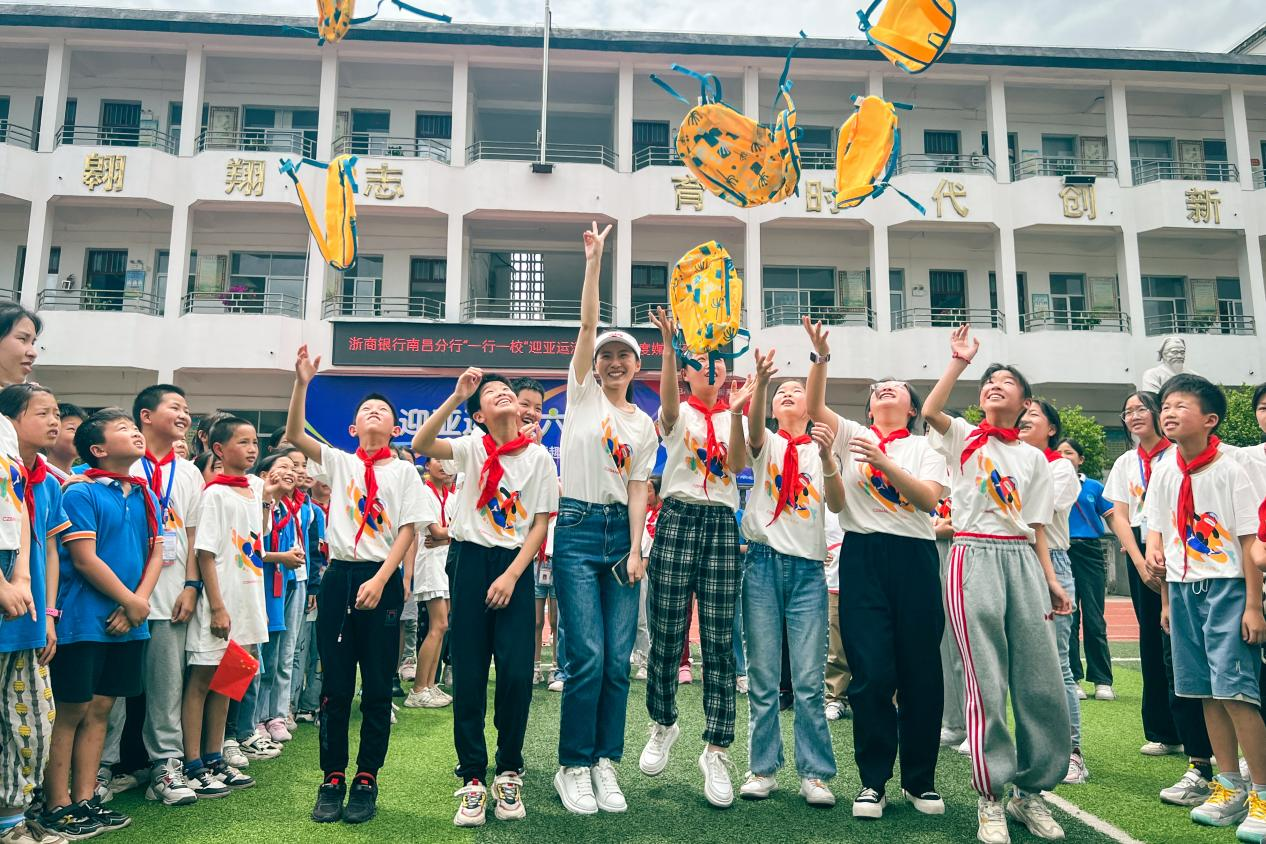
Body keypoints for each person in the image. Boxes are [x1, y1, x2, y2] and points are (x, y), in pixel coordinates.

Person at [922, 325, 1071, 844]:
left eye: (1007, 382)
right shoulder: (963, 434)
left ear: (1026, 403)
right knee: (985, 679)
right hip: (971, 554)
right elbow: (931, 410)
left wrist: (1050, 579)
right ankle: (989, 797)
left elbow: (1035, 527)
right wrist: (958, 363)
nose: (995, 385)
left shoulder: (1035, 459)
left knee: (1041, 679)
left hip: (1022, 562)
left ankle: (1030, 794)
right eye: (989, 381)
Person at [804, 319, 950, 820]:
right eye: (876, 390)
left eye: (896, 389)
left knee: (921, 673)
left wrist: (884, 463)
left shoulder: (925, 446)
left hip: (913, 558)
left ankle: (920, 781)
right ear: (868, 409)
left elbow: (927, 500)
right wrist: (820, 358)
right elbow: (814, 406)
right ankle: (872, 783)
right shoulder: (853, 435)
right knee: (870, 675)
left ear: (911, 408)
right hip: (862, 555)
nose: (884, 389)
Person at [285, 346, 429, 825]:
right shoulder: (341, 463)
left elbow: (408, 528)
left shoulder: (405, 470)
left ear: (395, 428)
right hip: (339, 578)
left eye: (383, 411)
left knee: (377, 688)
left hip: (379, 578)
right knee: (336, 685)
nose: (375, 413)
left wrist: (385, 578)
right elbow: (293, 435)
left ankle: (367, 776)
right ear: (353, 428)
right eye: (367, 409)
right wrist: (303, 382)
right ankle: (332, 776)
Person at [413, 368, 558, 828]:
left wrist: (514, 576)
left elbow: (538, 525)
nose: (503, 396)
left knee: (516, 673)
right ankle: (474, 776)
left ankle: (509, 769)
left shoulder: (538, 459)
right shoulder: (470, 447)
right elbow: (421, 444)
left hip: (513, 567)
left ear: (520, 408)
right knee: (470, 674)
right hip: (470, 563)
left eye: (508, 393)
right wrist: (457, 395)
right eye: (491, 393)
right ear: (479, 413)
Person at [551, 223, 659, 817]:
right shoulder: (581, 397)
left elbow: (640, 486)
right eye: (606, 355)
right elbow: (588, 323)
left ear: (636, 365)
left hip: (622, 533)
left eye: (625, 355)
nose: (614, 361)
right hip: (575, 529)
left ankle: (604, 763)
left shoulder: (642, 425)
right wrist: (594, 262)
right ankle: (573, 765)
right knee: (587, 654)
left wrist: (639, 546)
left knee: (619, 659)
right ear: (594, 365)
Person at [1147, 375, 1266, 839]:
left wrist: (1253, 605)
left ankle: (1261, 791)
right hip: (1182, 591)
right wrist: (1164, 593)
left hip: (1228, 588)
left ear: (1210, 419)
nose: (1168, 411)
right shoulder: (1164, 470)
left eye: (1180, 405)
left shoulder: (1232, 469)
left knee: (1237, 693)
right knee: (1204, 693)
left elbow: (1248, 540)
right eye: (1166, 405)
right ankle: (1229, 786)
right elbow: (1158, 527)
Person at [638, 306, 746, 809]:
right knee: (666, 630)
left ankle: (717, 748)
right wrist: (667, 344)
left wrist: (743, 411)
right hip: (678, 518)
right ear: (686, 372)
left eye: (718, 362)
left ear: (726, 373)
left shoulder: (735, 415)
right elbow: (665, 404)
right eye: (700, 361)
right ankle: (663, 723)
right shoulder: (676, 414)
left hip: (723, 523)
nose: (711, 366)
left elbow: (742, 464)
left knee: (721, 642)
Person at [43, 409, 163, 838]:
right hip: (83, 620)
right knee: (72, 710)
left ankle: (85, 797)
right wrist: (131, 601)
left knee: (103, 709)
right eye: (124, 430)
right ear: (98, 449)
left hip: (129, 618)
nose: (135, 433)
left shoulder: (144, 494)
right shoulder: (80, 491)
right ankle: (56, 804)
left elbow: (156, 554)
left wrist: (139, 603)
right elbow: (84, 558)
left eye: (135, 428)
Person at [735, 349, 843, 809]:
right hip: (761, 561)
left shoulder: (823, 450)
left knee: (808, 679)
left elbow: (837, 504)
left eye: (796, 391)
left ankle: (815, 774)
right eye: (781, 392)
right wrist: (760, 383)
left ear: (809, 405)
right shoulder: (769, 445)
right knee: (762, 675)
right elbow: (754, 432)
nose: (788, 395)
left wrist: (830, 458)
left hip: (807, 572)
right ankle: (762, 768)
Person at [1104, 391, 1215, 806]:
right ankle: (1163, 732)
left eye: (1140, 409)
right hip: (1141, 546)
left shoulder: (1178, 456)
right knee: (1153, 642)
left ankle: (1201, 745)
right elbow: (1118, 513)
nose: (1134, 416)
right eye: (1127, 411)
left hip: (1184, 545)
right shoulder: (1126, 462)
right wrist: (1138, 560)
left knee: (1185, 651)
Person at [180, 416, 268, 800]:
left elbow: (253, 547)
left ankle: (216, 757)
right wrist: (216, 606)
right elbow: (205, 552)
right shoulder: (214, 493)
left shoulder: (253, 489)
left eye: (254, 442)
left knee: (229, 683)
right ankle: (192, 763)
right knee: (201, 681)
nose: (252, 449)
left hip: (250, 599)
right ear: (218, 450)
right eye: (243, 442)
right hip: (223, 603)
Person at [129, 385, 204, 807]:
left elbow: (192, 536)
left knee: (167, 687)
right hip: (122, 598)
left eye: (186, 408)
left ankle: (166, 765)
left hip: (172, 595)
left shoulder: (188, 472)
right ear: (145, 415)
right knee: (113, 693)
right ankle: (106, 767)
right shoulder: (123, 462)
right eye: (175, 406)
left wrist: (191, 587)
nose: (183, 415)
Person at [0, 384, 67, 844]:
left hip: (26, 621)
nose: (54, 421)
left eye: (57, 412)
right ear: (9, 422)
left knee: (33, 723)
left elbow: (51, 552)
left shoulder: (43, 480)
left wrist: (48, 614)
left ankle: (12, 817)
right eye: (42, 412)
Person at [1018, 401, 1087, 786]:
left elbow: (1035, 513)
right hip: (1011, 557)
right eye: (1021, 415)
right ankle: (1035, 748)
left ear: (1052, 428)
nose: (1025, 420)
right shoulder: (1010, 457)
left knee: (1057, 663)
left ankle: (1072, 751)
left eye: (1034, 416)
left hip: (1051, 564)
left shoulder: (1060, 466)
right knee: (1019, 662)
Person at [1057, 437, 1116, 702]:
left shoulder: (1094, 486)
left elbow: (1113, 517)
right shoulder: (1050, 483)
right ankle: (1074, 679)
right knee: (1068, 616)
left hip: (1091, 552)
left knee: (1094, 616)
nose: (1063, 456)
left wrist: (1128, 544)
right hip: (1062, 550)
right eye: (1059, 452)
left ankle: (1102, 680)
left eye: (1069, 452)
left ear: (1080, 459)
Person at [404, 455, 455, 709]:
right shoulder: (424, 493)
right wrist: (449, 536)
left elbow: (462, 529)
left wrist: (448, 538)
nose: (444, 465)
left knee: (443, 626)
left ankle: (431, 684)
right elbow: (435, 532)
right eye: (439, 460)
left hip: (446, 562)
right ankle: (417, 689)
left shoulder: (450, 495)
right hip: (431, 565)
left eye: (448, 461)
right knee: (438, 625)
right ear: (427, 466)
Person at [291, 467, 328, 724]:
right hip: (299, 582)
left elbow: (317, 552)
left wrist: (314, 585)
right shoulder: (306, 508)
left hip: (320, 581)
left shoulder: (316, 511)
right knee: (296, 648)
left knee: (320, 647)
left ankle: (311, 702)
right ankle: (288, 707)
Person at [823, 514, 850, 722]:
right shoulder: (826, 508)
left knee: (875, 644)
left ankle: (884, 698)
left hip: (869, 582)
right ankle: (835, 697)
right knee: (836, 648)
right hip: (834, 581)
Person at [44, 402, 85, 483]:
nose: (81, 436)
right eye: (72, 429)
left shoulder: (81, 480)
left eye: (82, 431)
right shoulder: (39, 477)